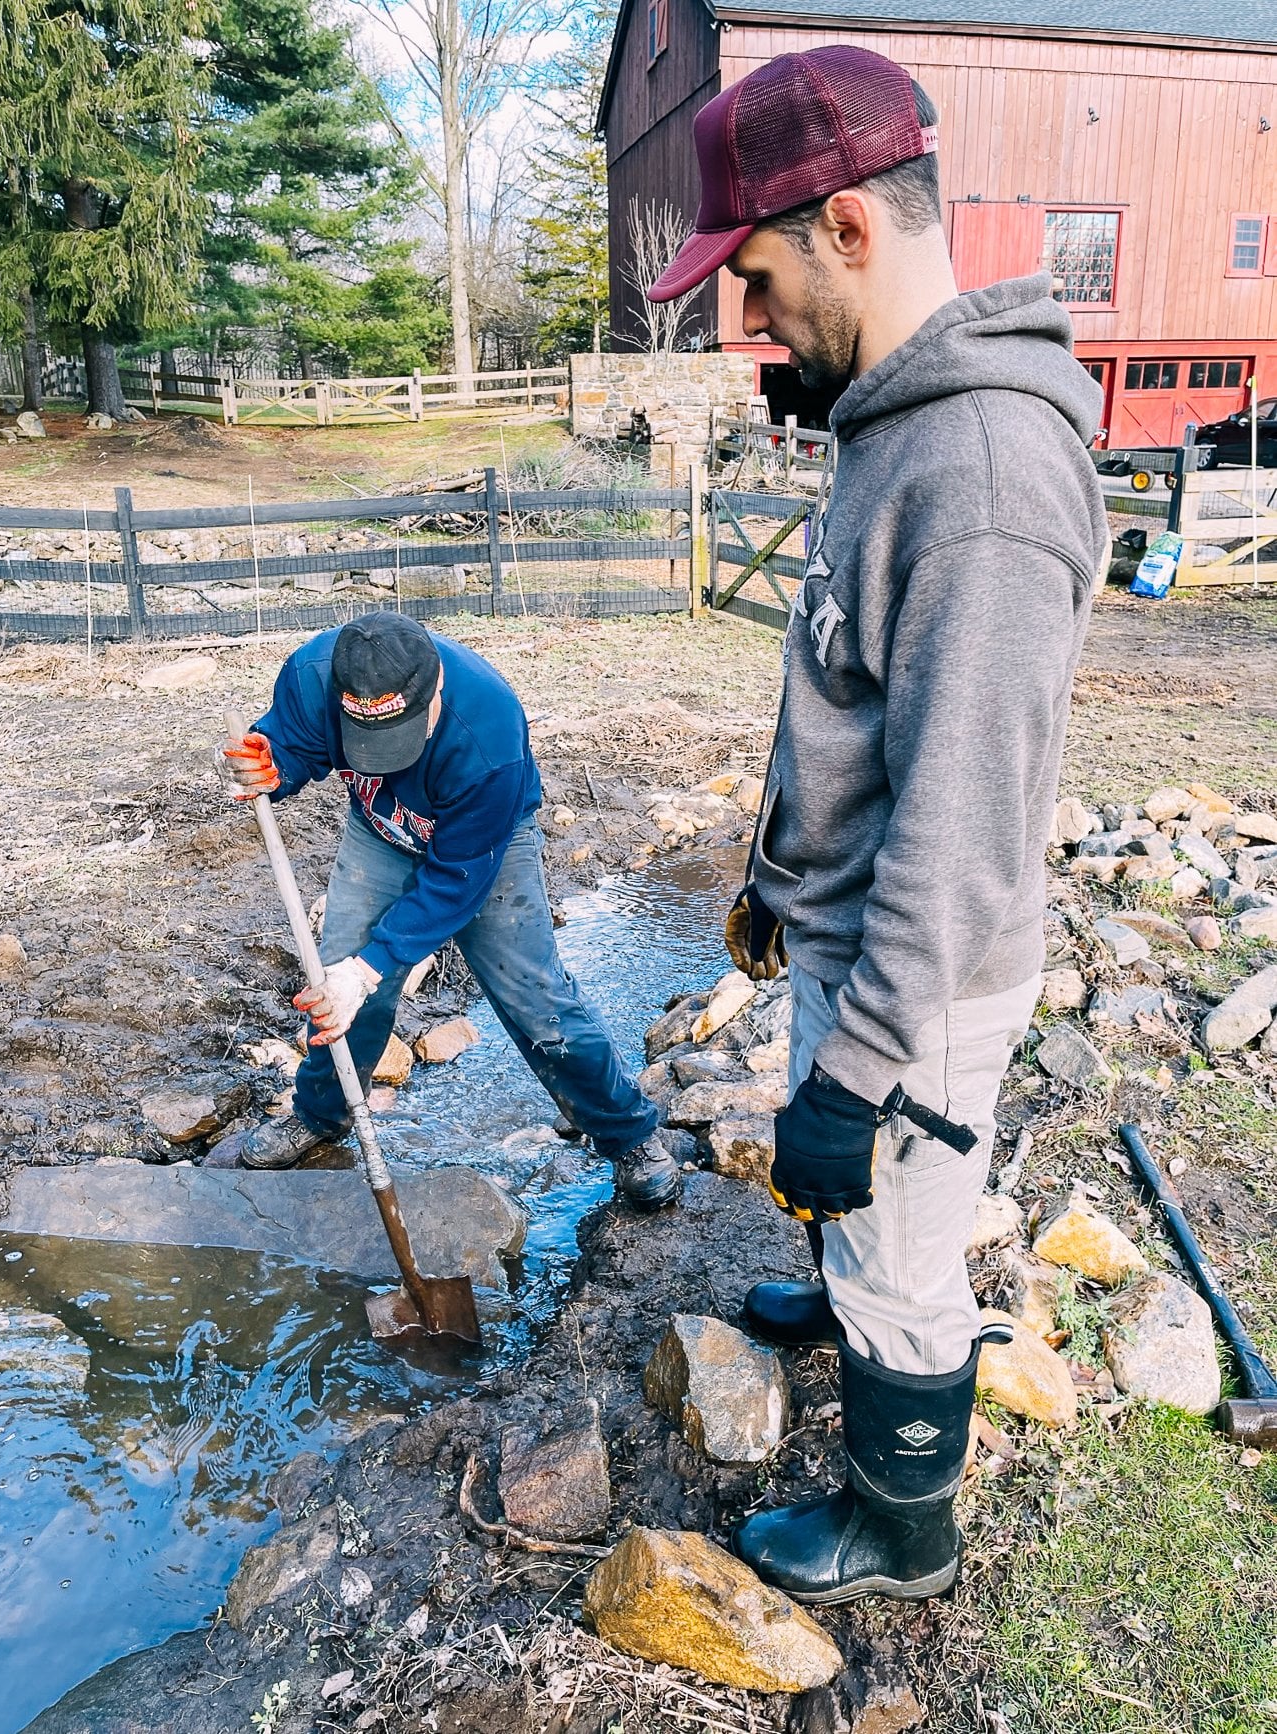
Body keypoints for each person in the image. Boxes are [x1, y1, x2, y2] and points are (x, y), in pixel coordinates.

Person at [650, 46, 1107, 1603]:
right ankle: (847, 1278)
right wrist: (781, 890)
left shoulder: (976, 473)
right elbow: (858, 697)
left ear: (849, 226)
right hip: (851, 940)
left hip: (919, 973)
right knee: (861, 1214)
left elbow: (966, 830)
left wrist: (857, 1072)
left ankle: (898, 1525)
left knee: (907, 1245)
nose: (756, 321)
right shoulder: (890, 418)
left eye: (763, 280)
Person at [215, 612, 680, 1209]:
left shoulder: (489, 733)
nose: (385, 755)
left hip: (484, 848)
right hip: (380, 830)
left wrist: (372, 965)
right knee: (334, 986)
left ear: (434, 691)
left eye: (401, 736)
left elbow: (458, 881)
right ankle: (321, 1113)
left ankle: (629, 1136)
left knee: (534, 996)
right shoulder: (316, 672)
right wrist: (271, 767)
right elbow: (298, 745)